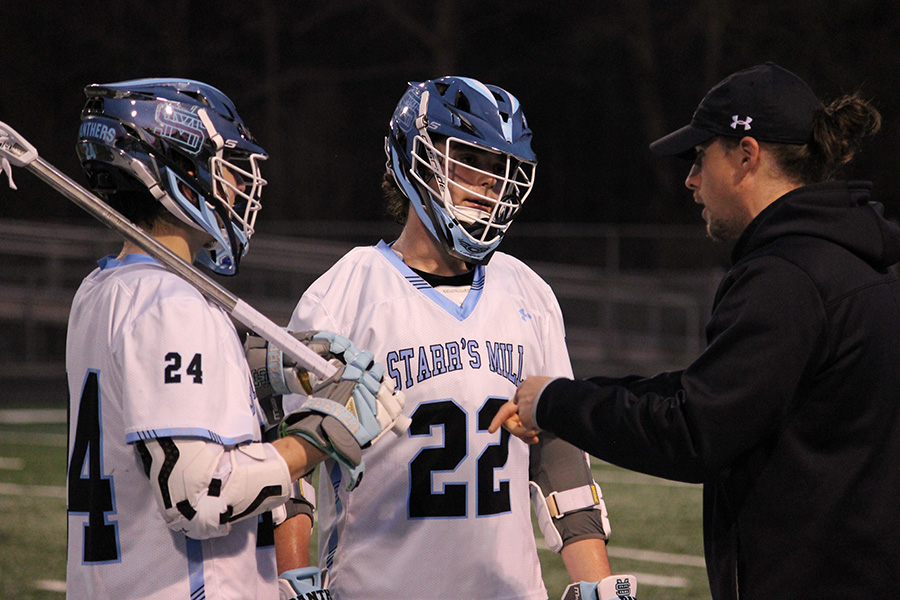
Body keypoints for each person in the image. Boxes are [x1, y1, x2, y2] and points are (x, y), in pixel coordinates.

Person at [492, 63, 900, 599]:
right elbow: (710, 391)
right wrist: (575, 393)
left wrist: (559, 404)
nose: (690, 181)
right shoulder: (855, 262)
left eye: (699, 158)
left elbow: (694, 432)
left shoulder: (787, 277)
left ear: (746, 155)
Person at [275, 76, 616, 600]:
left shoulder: (526, 290)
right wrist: (294, 577)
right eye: (470, 163)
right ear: (417, 157)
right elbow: (294, 463)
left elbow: (559, 452)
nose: (489, 186)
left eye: (502, 172)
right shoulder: (344, 292)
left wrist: (595, 584)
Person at [65, 78, 403, 600]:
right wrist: (317, 438)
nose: (242, 187)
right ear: (180, 166)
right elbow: (199, 495)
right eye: (228, 168)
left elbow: (140, 387)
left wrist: (261, 366)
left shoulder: (103, 288)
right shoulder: (172, 303)